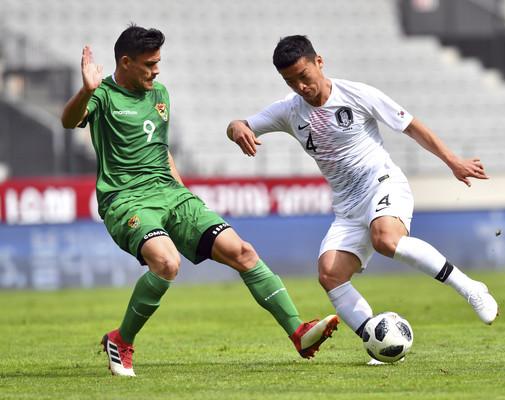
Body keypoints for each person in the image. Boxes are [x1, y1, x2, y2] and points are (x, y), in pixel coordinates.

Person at [61, 26, 339, 377]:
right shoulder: (102, 94)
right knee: (166, 262)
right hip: (127, 199)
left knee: (243, 252)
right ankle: (122, 340)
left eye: (158, 62)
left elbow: (160, 150)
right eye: (149, 64)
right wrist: (86, 91)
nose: (156, 70)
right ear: (126, 62)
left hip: (172, 195)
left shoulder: (159, 93)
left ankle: (298, 332)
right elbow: (69, 121)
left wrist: (184, 194)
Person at [227, 35, 499, 362]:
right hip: (348, 207)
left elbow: (411, 126)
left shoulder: (356, 94)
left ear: (319, 62)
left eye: (303, 76)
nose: (300, 86)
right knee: (330, 274)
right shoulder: (289, 110)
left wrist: (453, 161)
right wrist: (237, 128)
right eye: (290, 81)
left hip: (382, 182)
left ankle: (471, 288)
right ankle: (379, 343)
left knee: (386, 239)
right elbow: (239, 124)